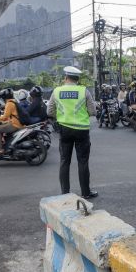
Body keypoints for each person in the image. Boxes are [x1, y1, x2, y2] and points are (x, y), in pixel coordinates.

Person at [47, 66, 98, 199]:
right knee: (82, 162)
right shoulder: (84, 91)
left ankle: (65, 193)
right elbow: (93, 111)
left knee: (64, 161)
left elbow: (49, 111)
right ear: (77, 79)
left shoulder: (57, 91)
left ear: (66, 78)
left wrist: (61, 116)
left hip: (64, 129)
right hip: (82, 130)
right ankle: (86, 192)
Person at [0, 89, 23, 155]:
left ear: (4, 97)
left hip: (15, 124)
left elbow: (4, 118)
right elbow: (12, 116)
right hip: (18, 122)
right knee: (3, 125)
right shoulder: (14, 102)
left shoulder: (9, 104)